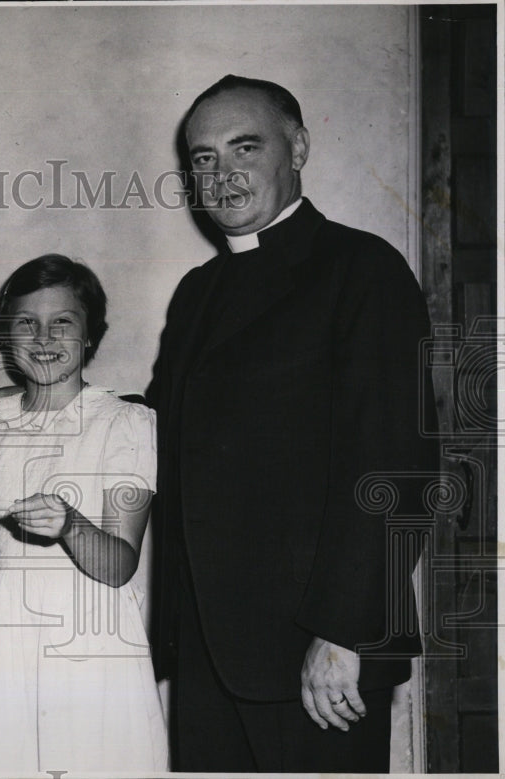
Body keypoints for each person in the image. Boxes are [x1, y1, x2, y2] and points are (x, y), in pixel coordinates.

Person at [146, 75, 437, 772]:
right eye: (203, 159)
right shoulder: (198, 292)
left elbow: (398, 462)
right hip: (210, 655)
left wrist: (345, 633)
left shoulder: (361, 268)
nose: (221, 174)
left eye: (244, 147)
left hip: (318, 656)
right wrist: (39, 407)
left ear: (298, 146)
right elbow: (160, 425)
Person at [0, 255, 168, 773]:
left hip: (94, 650)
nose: (44, 337)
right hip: (6, 657)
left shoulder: (123, 424)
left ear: (91, 335)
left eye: (63, 322)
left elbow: (119, 566)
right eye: (27, 322)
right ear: (7, 334)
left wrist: (71, 525)